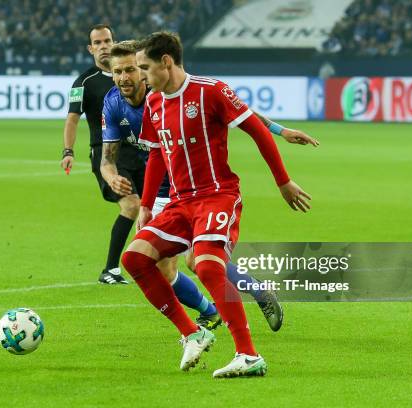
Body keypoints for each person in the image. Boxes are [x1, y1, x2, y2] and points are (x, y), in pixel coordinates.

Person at [121, 32, 312, 378]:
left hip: (217, 195)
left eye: (145, 68)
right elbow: (156, 155)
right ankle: (192, 333)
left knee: (207, 265)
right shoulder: (153, 103)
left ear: (166, 62)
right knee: (134, 258)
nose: (142, 77)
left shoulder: (210, 91)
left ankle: (249, 355)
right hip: (180, 203)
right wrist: (147, 205)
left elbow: (257, 130)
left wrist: (283, 181)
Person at [100, 40, 221, 329]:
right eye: (118, 72)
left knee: (198, 262)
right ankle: (209, 314)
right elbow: (108, 159)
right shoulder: (114, 102)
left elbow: (234, 109)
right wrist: (112, 177)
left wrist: (278, 130)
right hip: (159, 193)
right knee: (159, 266)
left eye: (133, 69)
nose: (124, 77)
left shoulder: (166, 93)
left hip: (192, 188)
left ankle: (251, 295)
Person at [60, 24, 132, 285]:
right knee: (131, 205)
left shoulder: (128, 74)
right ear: (91, 49)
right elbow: (72, 119)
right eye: (98, 42)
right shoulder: (84, 82)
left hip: (137, 151)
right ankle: (111, 269)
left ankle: (147, 262)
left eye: (108, 40)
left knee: (151, 207)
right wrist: (68, 151)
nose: (104, 46)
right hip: (106, 154)